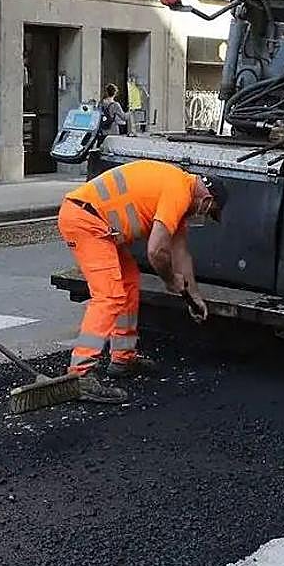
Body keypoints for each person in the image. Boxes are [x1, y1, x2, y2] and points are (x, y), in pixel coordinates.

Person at [58, 159, 228, 404]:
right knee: (109, 296)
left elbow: (180, 255)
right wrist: (170, 281)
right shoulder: (179, 192)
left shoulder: (179, 192)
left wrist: (195, 297)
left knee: (128, 281)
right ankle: (79, 375)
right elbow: (156, 251)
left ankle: (122, 357)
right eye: (209, 212)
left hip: (95, 222)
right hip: (86, 220)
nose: (202, 216)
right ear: (207, 200)